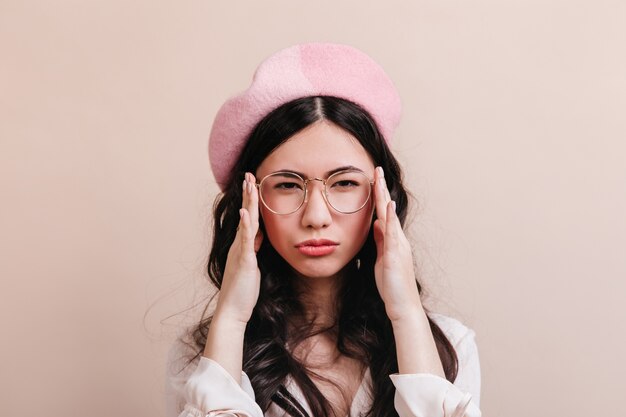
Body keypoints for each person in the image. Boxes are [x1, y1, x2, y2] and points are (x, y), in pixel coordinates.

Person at [166, 43, 482, 417]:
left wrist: (406, 314)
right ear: (249, 200)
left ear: (382, 195)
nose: (316, 216)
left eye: (345, 183)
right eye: (287, 185)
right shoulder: (203, 354)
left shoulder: (451, 346)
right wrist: (232, 319)